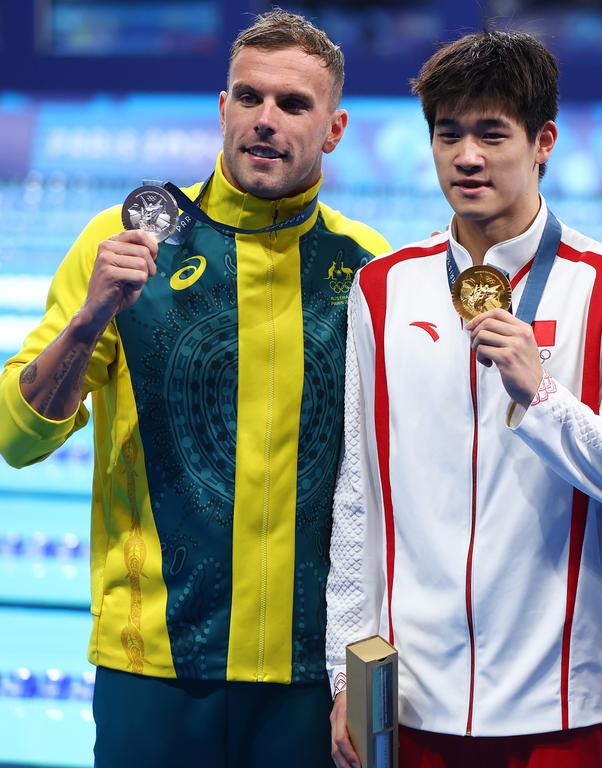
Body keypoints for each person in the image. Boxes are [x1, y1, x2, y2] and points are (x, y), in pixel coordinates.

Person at [0, 9, 389, 767]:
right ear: (221, 108)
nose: (265, 121)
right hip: (154, 667)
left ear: (335, 128)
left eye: (293, 105)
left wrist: (366, 670)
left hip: (312, 678)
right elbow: (16, 438)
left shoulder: (368, 270)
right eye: (249, 98)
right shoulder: (122, 243)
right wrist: (88, 323)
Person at [325, 31, 602, 768]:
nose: (467, 157)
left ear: (543, 140)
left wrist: (544, 396)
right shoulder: (383, 289)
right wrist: (346, 673)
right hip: (410, 701)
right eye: (448, 134)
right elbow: (359, 497)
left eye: (492, 133)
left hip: (565, 706)